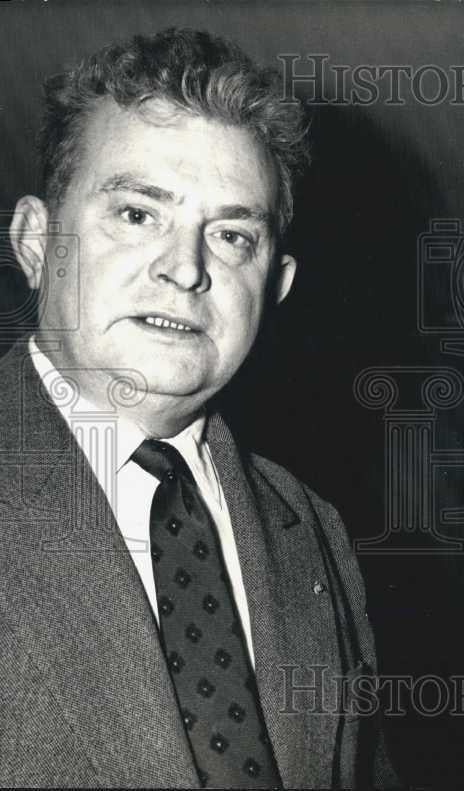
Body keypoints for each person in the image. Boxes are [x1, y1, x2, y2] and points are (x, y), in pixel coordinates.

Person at [0, 28, 396, 789]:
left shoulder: (311, 528)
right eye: (137, 214)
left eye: (232, 235)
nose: (185, 269)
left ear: (274, 287)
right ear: (36, 242)